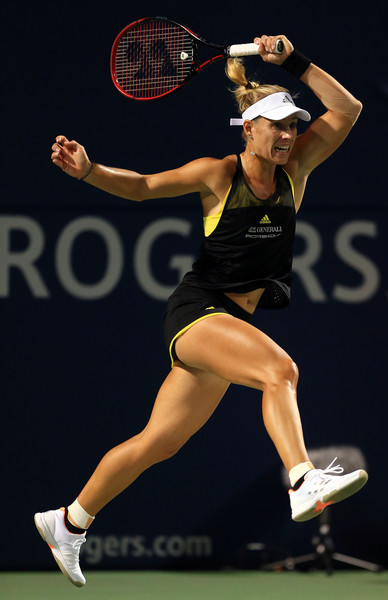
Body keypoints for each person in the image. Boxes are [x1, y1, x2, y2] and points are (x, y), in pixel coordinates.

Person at [35, 34, 367, 587]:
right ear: (249, 127)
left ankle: (69, 522)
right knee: (279, 371)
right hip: (198, 312)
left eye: (293, 125)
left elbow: (349, 109)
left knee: (158, 442)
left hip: (231, 322)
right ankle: (302, 478)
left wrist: (295, 62)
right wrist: (90, 170)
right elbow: (143, 187)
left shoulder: (297, 169)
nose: (288, 135)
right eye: (277, 125)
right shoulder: (218, 173)